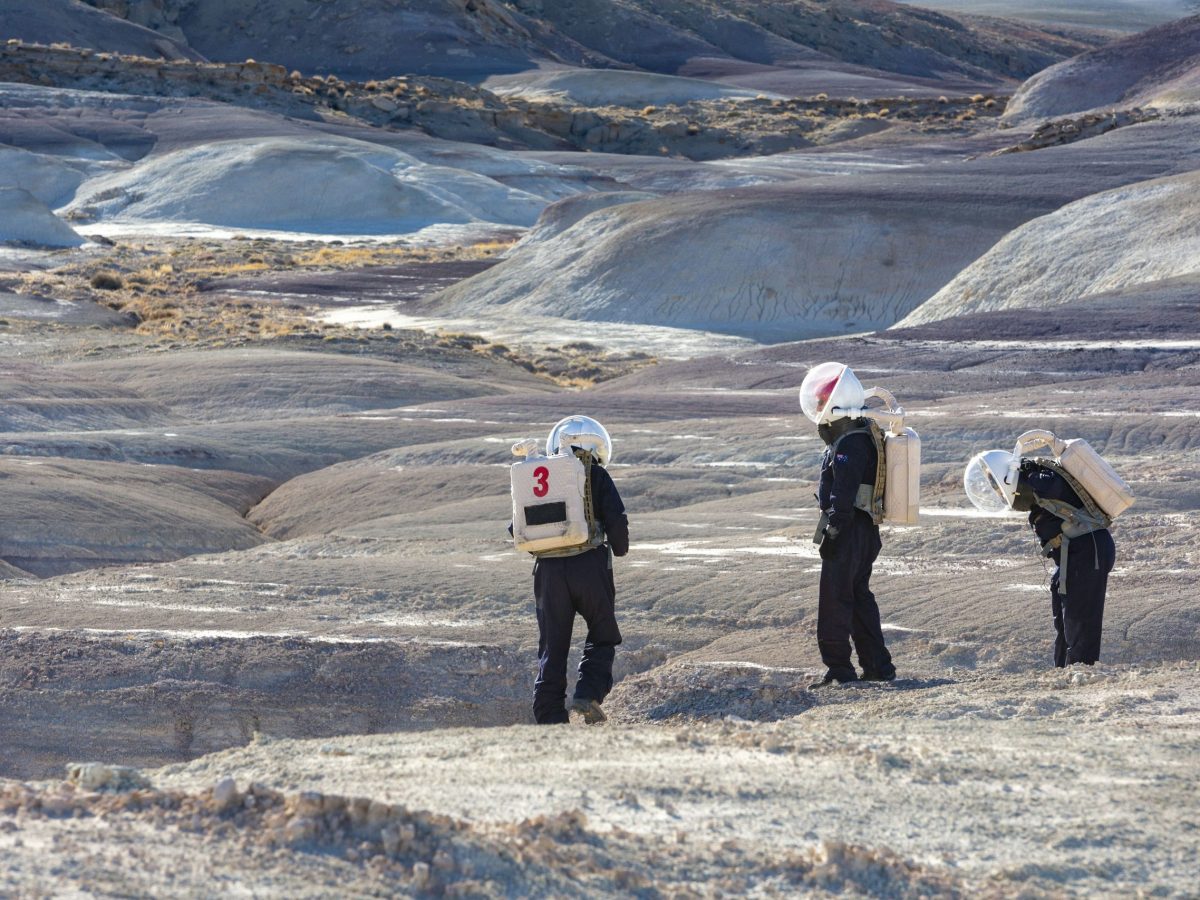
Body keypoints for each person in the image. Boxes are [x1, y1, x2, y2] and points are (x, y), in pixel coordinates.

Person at [515, 416, 628, 724]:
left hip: (548, 574)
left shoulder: (541, 478)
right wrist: (619, 548)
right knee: (603, 635)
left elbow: (516, 529)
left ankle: (551, 720)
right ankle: (588, 694)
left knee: (552, 649)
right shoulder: (596, 473)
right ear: (596, 445)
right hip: (589, 565)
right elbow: (617, 523)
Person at [967, 450, 1116, 666]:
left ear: (1009, 478)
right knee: (1064, 622)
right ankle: (1063, 670)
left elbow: (1052, 486)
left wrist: (1029, 476)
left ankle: (1082, 672)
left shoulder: (1043, 481)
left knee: (1080, 620)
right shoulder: (1037, 485)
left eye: (999, 487)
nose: (1000, 494)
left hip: (1087, 554)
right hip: (1072, 557)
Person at [799, 363, 896, 688]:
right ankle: (877, 666)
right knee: (858, 597)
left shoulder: (851, 442)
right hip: (862, 530)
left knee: (835, 599)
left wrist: (834, 530)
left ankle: (840, 669)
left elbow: (844, 492)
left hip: (850, 529)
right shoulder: (859, 435)